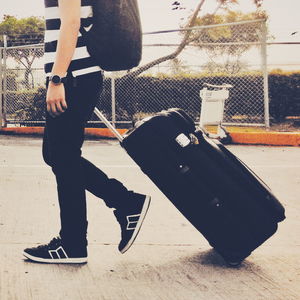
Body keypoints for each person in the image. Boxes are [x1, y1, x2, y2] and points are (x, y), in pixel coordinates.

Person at [23, 0, 151, 264]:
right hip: (76, 76)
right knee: (58, 156)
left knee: (61, 156)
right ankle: (122, 205)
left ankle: (75, 242)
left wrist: (57, 78)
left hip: (73, 77)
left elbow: (71, 23)